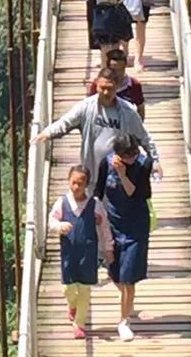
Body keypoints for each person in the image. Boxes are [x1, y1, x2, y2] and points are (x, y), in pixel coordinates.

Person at [35, 68, 161, 196]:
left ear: (117, 87)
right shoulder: (86, 107)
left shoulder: (128, 111)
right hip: (91, 174)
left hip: (117, 175)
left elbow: (144, 138)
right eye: (102, 88)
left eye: (110, 88)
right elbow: (65, 122)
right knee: (93, 209)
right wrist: (47, 133)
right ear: (96, 86)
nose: (106, 92)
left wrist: (155, 161)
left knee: (113, 210)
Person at [48, 164, 115, 339]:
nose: (76, 187)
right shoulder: (62, 203)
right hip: (69, 253)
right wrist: (59, 226)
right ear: (68, 182)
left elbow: (105, 227)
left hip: (88, 253)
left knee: (85, 289)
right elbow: (51, 221)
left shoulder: (94, 205)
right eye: (73, 183)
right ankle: (72, 304)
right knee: (68, 288)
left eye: (80, 183)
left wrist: (108, 248)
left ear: (87, 185)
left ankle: (79, 324)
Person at [103, 134, 153, 341]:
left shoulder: (143, 164)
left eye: (134, 153)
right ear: (117, 154)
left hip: (136, 226)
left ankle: (124, 320)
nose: (132, 157)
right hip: (113, 222)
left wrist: (122, 174)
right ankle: (129, 304)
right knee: (114, 272)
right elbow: (98, 189)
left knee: (128, 277)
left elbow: (136, 192)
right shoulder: (106, 162)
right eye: (127, 154)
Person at [89, 46, 145, 118]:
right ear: (108, 67)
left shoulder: (134, 85)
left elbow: (140, 108)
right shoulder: (98, 84)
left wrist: (138, 126)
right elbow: (90, 106)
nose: (118, 74)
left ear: (125, 66)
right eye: (114, 70)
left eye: (121, 69)